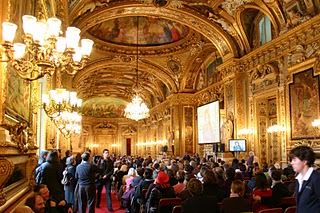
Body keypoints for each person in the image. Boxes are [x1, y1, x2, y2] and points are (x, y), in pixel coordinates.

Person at [289, 145, 320, 213]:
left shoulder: (316, 179)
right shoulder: (298, 179)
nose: (291, 163)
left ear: (305, 161)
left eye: (294, 160)